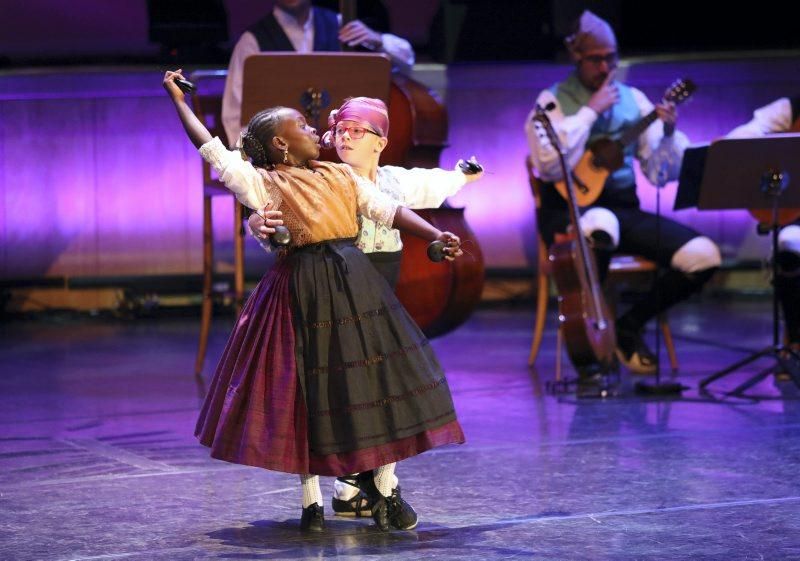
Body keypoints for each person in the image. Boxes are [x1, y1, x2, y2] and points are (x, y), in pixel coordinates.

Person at [163, 69, 466, 532]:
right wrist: (182, 104)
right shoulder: (263, 183)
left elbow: (386, 208)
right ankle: (322, 492)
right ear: (283, 146)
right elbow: (211, 150)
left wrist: (433, 233)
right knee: (310, 387)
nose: (314, 131)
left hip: (355, 283)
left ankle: (379, 488)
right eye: (302, 128)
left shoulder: (338, 175)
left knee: (371, 380)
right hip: (304, 288)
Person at [248, 96, 483, 516]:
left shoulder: (390, 181)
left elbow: (427, 185)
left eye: (358, 131)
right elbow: (275, 212)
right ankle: (350, 480)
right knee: (341, 386)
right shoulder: (318, 179)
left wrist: (461, 178)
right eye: (340, 130)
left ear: (381, 141)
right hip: (333, 292)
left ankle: (371, 484)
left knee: (380, 382)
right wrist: (257, 224)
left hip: (375, 294)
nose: (346, 137)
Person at [524, 10, 721, 387]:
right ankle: (590, 352)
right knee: (601, 226)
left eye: (610, 58)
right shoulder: (552, 100)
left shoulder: (634, 101)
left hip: (623, 208)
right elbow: (548, 165)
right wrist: (589, 111)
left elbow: (659, 175)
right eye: (595, 59)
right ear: (576, 58)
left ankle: (629, 326)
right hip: (569, 210)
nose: (604, 67)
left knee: (703, 256)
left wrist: (666, 132)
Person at [222, 0, 415, 144]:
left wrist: (379, 39)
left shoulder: (338, 24)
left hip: (338, 151)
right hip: (282, 158)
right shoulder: (252, 40)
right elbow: (234, 114)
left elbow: (407, 59)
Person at [726, 97, 800, 357]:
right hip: (797, 218)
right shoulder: (789, 109)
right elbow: (737, 140)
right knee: (788, 247)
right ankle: (796, 340)